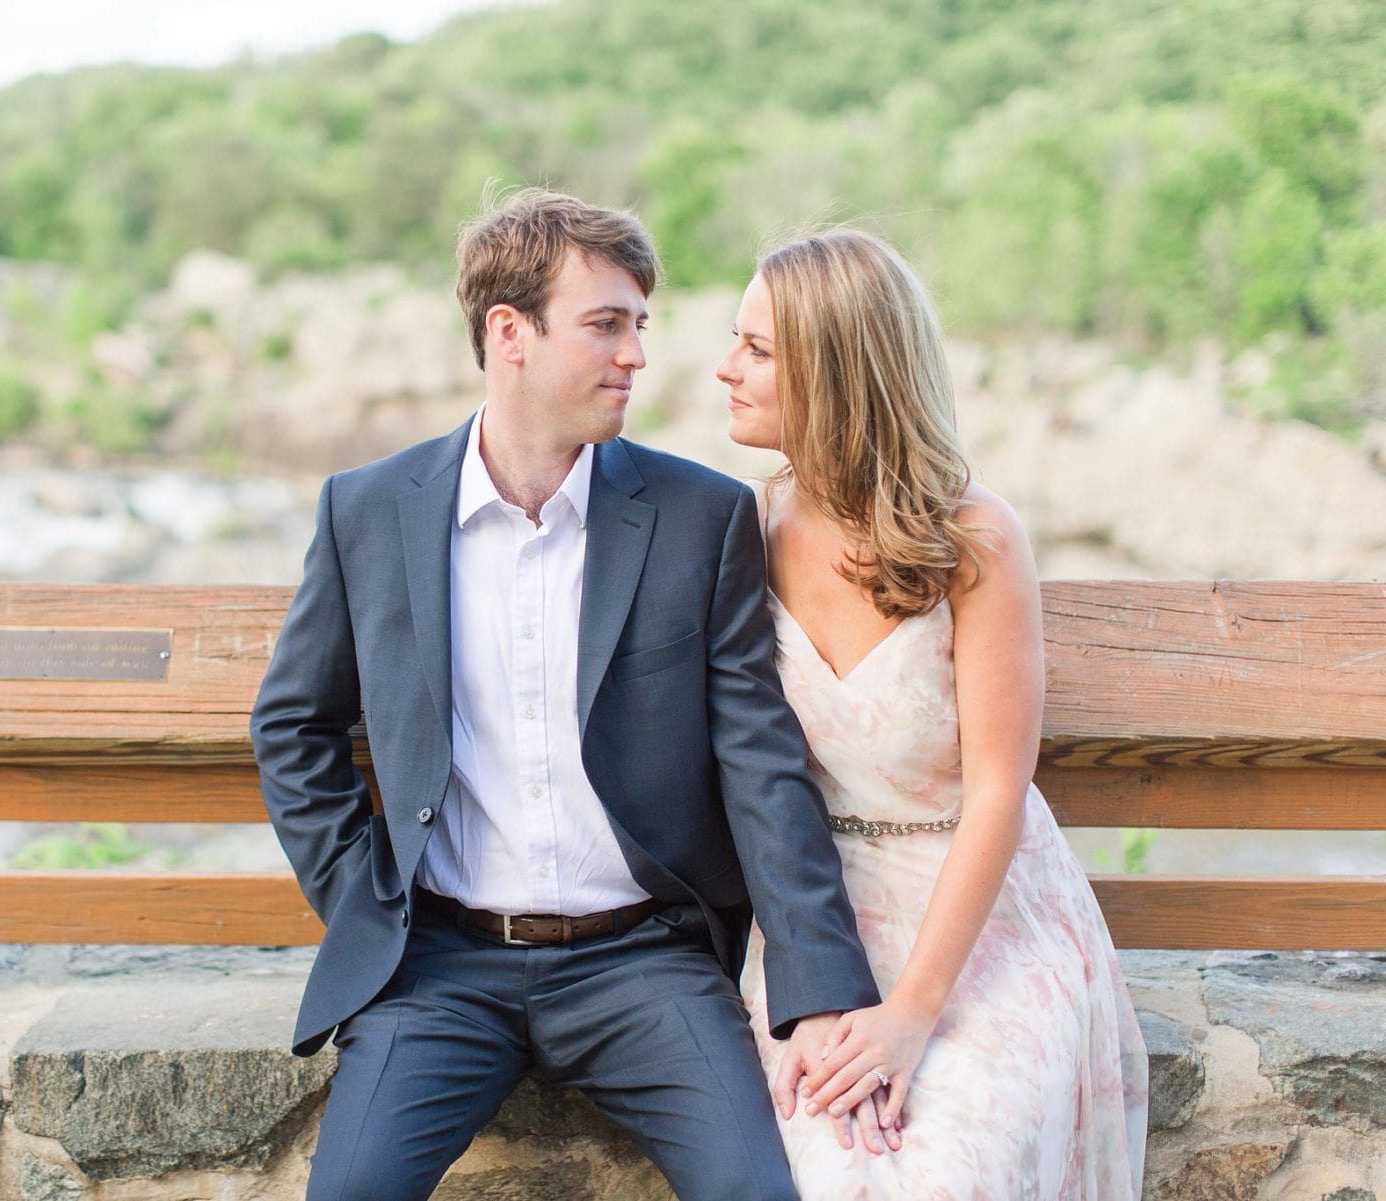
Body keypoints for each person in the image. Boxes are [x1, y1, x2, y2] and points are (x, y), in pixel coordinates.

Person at [251, 189, 881, 1201]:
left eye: (639, 325)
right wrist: (366, 901)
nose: (635, 354)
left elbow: (761, 762)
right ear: (510, 333)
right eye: (605, 325)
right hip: (440, 969)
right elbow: (295, 723)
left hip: (643, 963)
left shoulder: (699, 516)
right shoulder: (369, 510)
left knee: (756, 1191)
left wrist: (821, 991)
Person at [717, 228, 1149, 1198]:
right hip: (818, 917)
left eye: (757, 349)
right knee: (832, 1171)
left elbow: (1001, 787)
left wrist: (914, 1009)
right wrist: (814, 988)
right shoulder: (740, 531)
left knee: (951, 1173)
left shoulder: (972, 537)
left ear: (832, 371)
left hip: (982, 916)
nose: (723, 368)